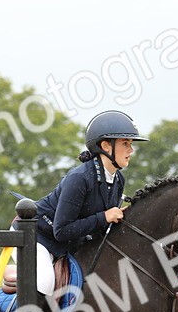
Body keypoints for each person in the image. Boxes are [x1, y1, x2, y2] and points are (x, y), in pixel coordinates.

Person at [25, 110, 148, 296]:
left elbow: (97, 227)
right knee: (45, 282)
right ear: (106, 146)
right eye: (125, 144)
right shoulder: (79, 178)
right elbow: (62, 231)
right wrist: (104, 217)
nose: (131, 150)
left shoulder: (118, 179)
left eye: (131, 144)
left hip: (68, 244)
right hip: (36, 237)